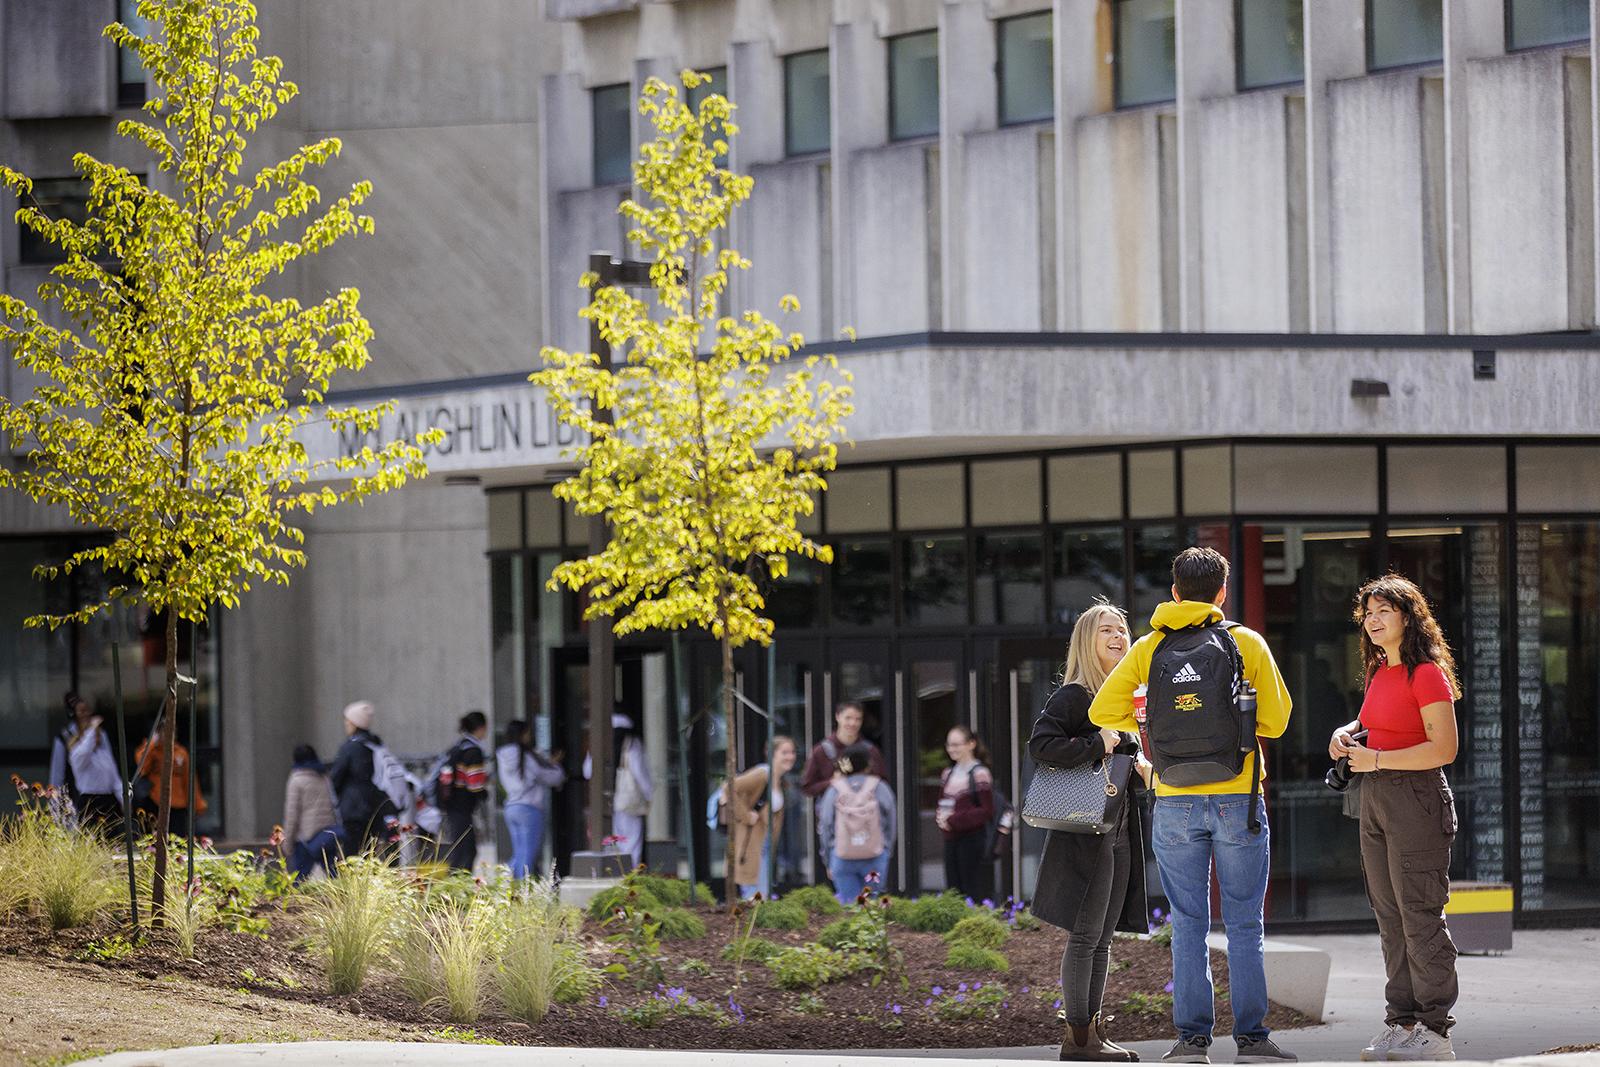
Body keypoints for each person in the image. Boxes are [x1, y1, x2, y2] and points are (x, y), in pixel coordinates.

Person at [1089, 547, 1295, 1065]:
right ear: (1221, 593)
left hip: (1175, 798)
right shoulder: (1244, 642)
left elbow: (1101, 710)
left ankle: (1191, 1042)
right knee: (1245, 922)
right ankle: (1253, 1040)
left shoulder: (1147, 648)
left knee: (1188, 923)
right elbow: (1276, 722)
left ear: (1174, 592)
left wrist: (1148, 723)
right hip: (1238, 796)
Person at [1330, 575, 1462, 1063]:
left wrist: (1378, 760)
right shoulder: (1381, 672)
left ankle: (1434, 1027)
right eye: (1367, 612)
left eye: (1384, 610)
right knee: (1389, 917)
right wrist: (1345, 734)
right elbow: (1370, 724)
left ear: (1409, 616)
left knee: (1419, 915)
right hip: (1375, 800)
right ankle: (1401, 1021)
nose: (1373, 619)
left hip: (1416, 800)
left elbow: (1444, 748)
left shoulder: (1425, 673)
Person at [1029, 599, 1151, 1062]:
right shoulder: (1076, 695)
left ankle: (1092, 1033)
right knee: (1084, 935)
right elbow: (1041, 745)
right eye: (1107, 631)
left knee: (1102, 938)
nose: (1119, 637)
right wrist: (1094, 742)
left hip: (1118, 830)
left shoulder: (1121, 700)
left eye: (1122, 629)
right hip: (1085, 831)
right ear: (1087, 641)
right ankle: (1077, 1040)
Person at [817, 741, 895, 904]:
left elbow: (825, 824)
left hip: (842, 856)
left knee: (849, 906)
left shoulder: (834, 789)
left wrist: (828, 857)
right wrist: (886, 849)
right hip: (875, 855)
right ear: (868, 765)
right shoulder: (880, 787)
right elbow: (891, 822)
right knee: (871, 906)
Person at [729, 736, 799, 900]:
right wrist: (746, 816)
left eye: (792, 752)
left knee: (762, 897)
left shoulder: (781, 781)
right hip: (751, 844)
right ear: (771, 754)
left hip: (766, 845)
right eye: (785, 752)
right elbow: (729, 788)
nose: (790, 757)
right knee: (754, 896)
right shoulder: (761, 774)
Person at [497, 718, 566, 879]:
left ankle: (503, 882)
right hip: (529, 808)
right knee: (527, 854)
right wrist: (556, 767)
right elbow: (547, 776)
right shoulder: (526, 755)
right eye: (528, 733)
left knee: (520, 852)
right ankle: (521, 890)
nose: (530, 737)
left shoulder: (503, 755)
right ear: (522, 735)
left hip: (511, 807)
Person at [936, 725, 996, 904]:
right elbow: (941, 802)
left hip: (972, 840)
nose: (952, 749)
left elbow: (987, 810)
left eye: (956, 744)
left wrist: (955, 820)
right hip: (950, 838)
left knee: (973, 888)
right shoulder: (947, 773)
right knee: (953, 890)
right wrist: (941, 818)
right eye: (949, 745)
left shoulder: (980, 773)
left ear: (971, 744)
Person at [48, 692, 123, 832]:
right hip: (78, 793)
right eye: (81, 711)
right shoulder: (67, 740)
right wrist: (55, 804)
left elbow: (111, 770)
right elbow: (57, 774)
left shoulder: (100, 735)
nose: (86, 715)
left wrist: (123, 796)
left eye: (87, 710)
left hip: (105, 797)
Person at [328, 700, 395, 854]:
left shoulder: (350, 747)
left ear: (354, 723)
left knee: (351, 853)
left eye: (347, 720)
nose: (346, 724)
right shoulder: (376, 744)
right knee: (369, 853)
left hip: (353, 809)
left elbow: (336, 778)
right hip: (376, 807)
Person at [437, 710, 492, 872]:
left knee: (463, 849)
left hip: (453, 805)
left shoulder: (459, 746)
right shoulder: (473, 751)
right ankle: (454, 890)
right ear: (482, 728)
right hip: (461, 806)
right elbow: (474, 784)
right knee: (465, 852)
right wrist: (484, 792)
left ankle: (457, 887)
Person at [799, 700, 889, 799]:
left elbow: (883, 783)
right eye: (848, 718)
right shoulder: (821, 751)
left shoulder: (871, 750)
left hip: (865, 811)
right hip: (834, 811)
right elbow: (807, 788)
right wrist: (831, 782)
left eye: (858, 719)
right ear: (837, 717)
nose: (853, 723)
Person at [281, 744, 343, 881]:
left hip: (306, 839)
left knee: (299, 880)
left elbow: (292, 815)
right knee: (334, 876)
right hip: (327, 834)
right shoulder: (324, 777)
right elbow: (334, 804)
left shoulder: (296, 780)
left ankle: (299, 903)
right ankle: (343, 901)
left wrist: (287, 843)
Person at [134, 731, 208, 838]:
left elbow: (189, 780)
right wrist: (151, 743)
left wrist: (197, 805)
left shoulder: (181, 753)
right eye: (163, 732)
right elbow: (141, 766)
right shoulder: (153, 751)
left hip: (178, 805)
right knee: (154, 841)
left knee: (177, 841)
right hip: (156, 802)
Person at [610, 713, 652, 867]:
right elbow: (641, 775)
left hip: (610, 803)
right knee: (632, 843)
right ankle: (629, 880)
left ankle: (616, 877)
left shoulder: (601, 744)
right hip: (630, 803)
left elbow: (588, 771)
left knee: (615, 842)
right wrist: (649, 796)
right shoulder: (632, 745)